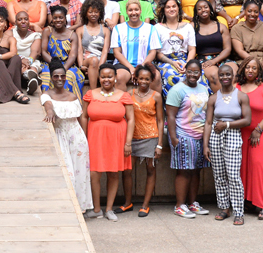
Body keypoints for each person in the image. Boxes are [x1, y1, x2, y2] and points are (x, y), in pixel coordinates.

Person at [81, 63, 134, 221]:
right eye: (103, 76)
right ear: (99, 77)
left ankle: (109, 209)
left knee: (113, 173)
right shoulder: (90, 94)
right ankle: (97, 209)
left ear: (115, 77)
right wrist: (84, 137)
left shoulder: (123, 95)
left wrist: (128, 142)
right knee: (94, 174)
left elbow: (131, 120)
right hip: (95, 138)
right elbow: (84, 116)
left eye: (110, 76)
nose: (106, 79)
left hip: (116, 139)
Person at [41, 60, 92, 214]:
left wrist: (85, 138)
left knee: (81, 173)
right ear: (51, 78)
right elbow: (48, 105)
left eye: (62, 76)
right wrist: (50, 112)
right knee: (68, 173)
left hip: (77, 137)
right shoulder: (46, 94)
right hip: (60, 135)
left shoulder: (74, 96)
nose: (60, 79)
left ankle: (80, 208)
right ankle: (67, 209)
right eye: (56, 76)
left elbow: (81, 118)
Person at [202, 64, 251, 225]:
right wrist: (205, 145)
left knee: (233, 176)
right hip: (215, 137)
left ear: (233, 76)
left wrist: (227, 125)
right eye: (222, 75)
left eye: (228, 74)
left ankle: (238, 211)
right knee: (219, 175)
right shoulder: (213, 98)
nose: (225, 77)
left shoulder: (241, 96)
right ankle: (224, 208)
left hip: (233, 135)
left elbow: (247, 120)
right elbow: (208, 122)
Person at [115, 65, 163, 217]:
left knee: (150, 169)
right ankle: (127, 203)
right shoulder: (129, 94)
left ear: (151, 80)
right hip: (132, 137)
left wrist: (160, 144)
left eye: (147, 79)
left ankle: (145, 205)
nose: (144, 81)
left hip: (151, 136)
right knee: (127, 171)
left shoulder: (156, 96)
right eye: (141, 78)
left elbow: (161, 120)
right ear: (136, 79)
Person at [166, 59, 211, 218]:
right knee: (184, 171)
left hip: (200, 136)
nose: (192, 74)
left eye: (196, 72)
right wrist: (173, 137)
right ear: (185, 71)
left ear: (200, 73)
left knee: (196, 171)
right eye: (189, 71)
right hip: (183, 135)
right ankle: (180, 205)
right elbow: (170, 116)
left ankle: (192, 203)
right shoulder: (177, 90)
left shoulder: (204, 89)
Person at [236, 56, 263, 220]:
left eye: (254, 68)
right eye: (247, 67)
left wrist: (258, 129)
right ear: (243, 70)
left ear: (259, 71)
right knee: (244, 170)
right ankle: (249, 202)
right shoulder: (236, 87)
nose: (250, 70)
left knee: (261, 170)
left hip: (261, 133)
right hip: (241, 135)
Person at [154, 0, 203, 97]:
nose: (171, 9)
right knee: (171, 76)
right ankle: (174, 108)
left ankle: (196, 107)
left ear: (178, 9)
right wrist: (172, 62)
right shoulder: (157, 28)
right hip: (166, 61)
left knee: (197, 75)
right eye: (168, 7)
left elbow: (192, 49)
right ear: (163, 10)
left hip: (185, 60)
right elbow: (157, 53)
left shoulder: (188, 26)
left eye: (174, 6)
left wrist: (187, 64)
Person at [111, 0, 161, 91]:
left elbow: (152, 52)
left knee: (156, 77)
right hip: (124, 64)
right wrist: (131, 68)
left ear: (140, 11)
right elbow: (116, 52)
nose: (133, 13)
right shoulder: (118, 28)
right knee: (119, 78)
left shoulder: (151, 28)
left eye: (136, 10)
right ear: (126, 12)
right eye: (130, 10)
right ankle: (123, 104)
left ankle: (154, 104)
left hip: (145, 63)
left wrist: (140, 68)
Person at [193, 0, 236, 92]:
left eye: (205, 7)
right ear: (196, 12)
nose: (203, 10)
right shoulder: (193, 27)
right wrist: (210, 62)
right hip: (203, 60)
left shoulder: (221, 26)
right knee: (214, 75)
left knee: (233, 73)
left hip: (222, 57)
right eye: (199, 9)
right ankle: (221, 102)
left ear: (210, 9)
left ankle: (235, 102)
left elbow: (227, 49)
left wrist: (214, 61)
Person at [230, 0, 263, 82]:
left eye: (256, 12)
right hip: (245, 59)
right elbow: (240, 50)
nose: (252, 14)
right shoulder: (236, 28)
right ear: (244, 11)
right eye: (249, 11)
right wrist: (255, 62)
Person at [40, 5, 84, 95]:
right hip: (50, 63)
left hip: (67, 65)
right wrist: (54, 65)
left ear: (65, 19)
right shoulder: (47, 31)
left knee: (68, 77)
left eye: (61, 17)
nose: (58, 20)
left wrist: (63, 69)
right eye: (55, 18)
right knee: (46, 77)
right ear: (52, 19)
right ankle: (47, 105)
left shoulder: (72, 35)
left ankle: (69, 105)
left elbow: (72, 56)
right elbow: (43, 52)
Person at [76, 0, 110, 90]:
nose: (93, 14)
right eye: (90, 12)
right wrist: (81, 66)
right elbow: (79, 50)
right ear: (85, 13)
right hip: (86, 61)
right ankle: (93, 92)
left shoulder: (105, 30)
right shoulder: (80, 30)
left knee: (95, 61)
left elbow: (105, 51)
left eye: (96, 12)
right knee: (93, 60)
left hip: (100, 62)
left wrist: (100, 67)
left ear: (100, 13)